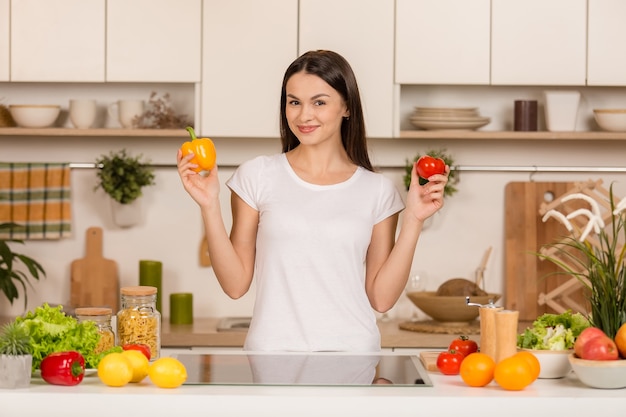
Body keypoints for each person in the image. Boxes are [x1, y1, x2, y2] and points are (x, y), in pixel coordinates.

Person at [177, 50, 448, 352]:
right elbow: (235, 284)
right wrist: (209, 205)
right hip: (272, 356)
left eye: (319, 102)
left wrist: (413, 219)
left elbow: (381, 299)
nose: (304, 115)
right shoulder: (257, 176)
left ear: (346, 107)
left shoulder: (378, 190)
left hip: (353, 356)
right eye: (294, 102)